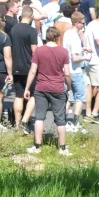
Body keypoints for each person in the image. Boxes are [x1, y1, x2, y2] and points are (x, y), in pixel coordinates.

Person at [24, 26, 73, 156]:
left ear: (47, 37)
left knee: (39, 117)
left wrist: (27, 87)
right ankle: (62, 148)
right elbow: (67, 73)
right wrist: (69, 88)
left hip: (41, 87)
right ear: (57, 37)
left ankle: (37, 146)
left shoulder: (39, 51)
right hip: (58, 88)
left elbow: (33, 71)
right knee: (60, 119)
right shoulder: (63, 52)